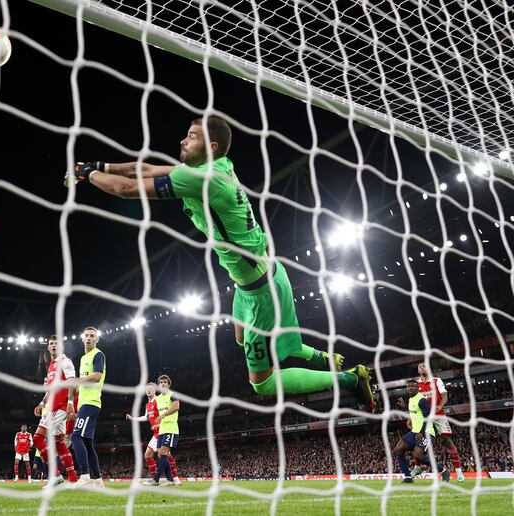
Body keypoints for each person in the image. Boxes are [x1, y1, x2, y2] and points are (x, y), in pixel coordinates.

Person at [68, 117, 374, 409]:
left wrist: (86, 175)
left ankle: (349, 380)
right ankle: (324, 359)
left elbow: (126, 189)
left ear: (211, 147)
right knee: (242, 339)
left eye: (192, 136)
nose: (182, 140)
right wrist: (99, 165)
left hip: (260, 294)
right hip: (263, 275)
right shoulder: (220, 166)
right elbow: (145, 168)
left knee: (262, 384)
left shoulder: (204, 180)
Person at [32, 335, 77, 487]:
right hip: (52, 407)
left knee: (37, 438)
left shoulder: (65, 362)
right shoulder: (51, 365)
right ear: (48, 347)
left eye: (56, 344)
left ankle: (55, 475)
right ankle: (72, 478)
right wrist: (41, 402)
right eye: (51, 344)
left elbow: (72, 383)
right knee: (60, 444)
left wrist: (70, 403)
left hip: (60, 408)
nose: (53, 346)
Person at [68, 327, 106, 489]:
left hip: (91, 403)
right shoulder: (83, 358)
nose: (89, 338)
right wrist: (70, 402)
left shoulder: (98, 354)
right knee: (87, 442)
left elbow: (97, 377)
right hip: (84, 403)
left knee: (76, 437)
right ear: (83, 339)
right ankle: (97, 480)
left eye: (92, 336)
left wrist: (76, 379)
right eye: (87, 336)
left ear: (96, 340)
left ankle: (84, 476)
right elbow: (79, 386)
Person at [413, 362, 464, 482]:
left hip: (438, 414)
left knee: (447, 440)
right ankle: (417, 467)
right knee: (419, 439)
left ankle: (458, 471)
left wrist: (440, 406)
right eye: (419, 367)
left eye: (424, 366)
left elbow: (445, 396)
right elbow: (414, 401)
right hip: (424, 417)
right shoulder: (416, 384)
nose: (422, 368)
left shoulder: (437, 381)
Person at [394, 379, 450, 484]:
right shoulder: (411, 399)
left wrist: (421, 432)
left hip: (426, 432)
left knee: (418, 456)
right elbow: (416, 412)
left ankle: (444, 471)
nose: (411, 387)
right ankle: (407, 477)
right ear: (406, 388)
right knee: (398, 449)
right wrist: (405, 407)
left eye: (414, 386)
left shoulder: (422, 400)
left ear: (418, 388)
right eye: (409, 386)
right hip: (415, 432)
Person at [126, 382, 179, 484]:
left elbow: (165, 414)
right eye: (147, 389)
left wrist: (160, 425)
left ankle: (174, 478)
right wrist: (133, 419)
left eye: (151, 388)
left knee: (163, 455)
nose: (148, 390)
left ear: (155, 390)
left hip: (163, 431)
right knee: (148, 455)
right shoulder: (148, 404)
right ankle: (159, 479)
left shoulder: (159, 401)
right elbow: (146, 417)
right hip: (156, 434)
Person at [143, 375, 180, 486]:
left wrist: (162, 416)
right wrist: (156, 424)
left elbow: (176, 407)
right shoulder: (158, 399)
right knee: (160, 455)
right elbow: (153, 414)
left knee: (163, 453)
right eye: (161, 382)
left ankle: (156, 479)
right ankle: (170, 480)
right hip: (161, 430)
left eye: (165, 382)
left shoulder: (172, 395)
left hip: (171, 428)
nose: (163, 384)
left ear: (168, 384)